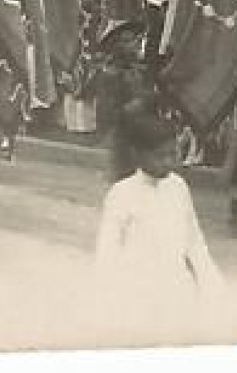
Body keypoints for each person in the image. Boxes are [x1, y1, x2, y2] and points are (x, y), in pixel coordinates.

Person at [93, 114, 223, 316]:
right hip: (137, 299)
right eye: (160, 156)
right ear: (137, 154)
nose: (169, 162)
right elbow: (107, 253)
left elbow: (195, 243)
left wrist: (213, 285)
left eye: (173, 154)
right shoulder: (121, 193)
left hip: (177, 293)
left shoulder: (178, 187)